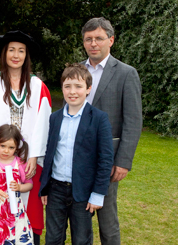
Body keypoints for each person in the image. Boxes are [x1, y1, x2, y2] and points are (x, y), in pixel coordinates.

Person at [0, 30, 52, 245]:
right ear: (4, 54)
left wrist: (34, 156)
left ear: (27, 56)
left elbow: (43, 123)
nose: (16, 55)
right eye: (11, 50)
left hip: (27, 161)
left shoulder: (37, 86)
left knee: (29, 205)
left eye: (21, 51)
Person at [81, 17, 142, 244]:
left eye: (99, 38)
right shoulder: (77, 70)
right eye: (89, 39)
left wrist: (123, 161)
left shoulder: (126, 73)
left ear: (111, 40)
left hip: (108, 159)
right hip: (78, 158)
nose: (93, 43)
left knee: (107, 220)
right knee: (80, 218)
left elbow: (133, 121)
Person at [39, 63, 114, 244]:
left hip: (83, 192)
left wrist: (97, 194)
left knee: (81, 239)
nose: (73, 91)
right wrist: (45, 186)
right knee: (53, 238)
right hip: (56, 189)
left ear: (88, 89)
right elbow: (50, 153)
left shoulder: (99, 118)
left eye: (78, 86)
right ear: (62, 88)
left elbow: (105, 160)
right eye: (67, 86)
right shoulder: (55, 118)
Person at [0, 124, 34, 244]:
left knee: (17, 237)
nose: (6, 150)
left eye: (11, 147)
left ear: (16, 147)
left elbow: (29, 184)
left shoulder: (20, 163)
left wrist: (20, 187)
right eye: (2, 146)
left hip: (14, 210)